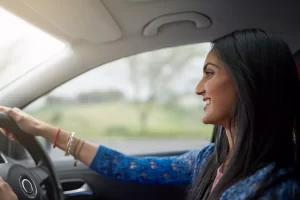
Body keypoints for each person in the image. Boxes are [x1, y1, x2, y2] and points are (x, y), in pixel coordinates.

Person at [0, 29, 300, 200]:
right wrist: (43, 129)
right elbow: (128, 167)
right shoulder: (209, 159)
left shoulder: (278, 188)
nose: (199, 89)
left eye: (209, 73)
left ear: (248, 80)